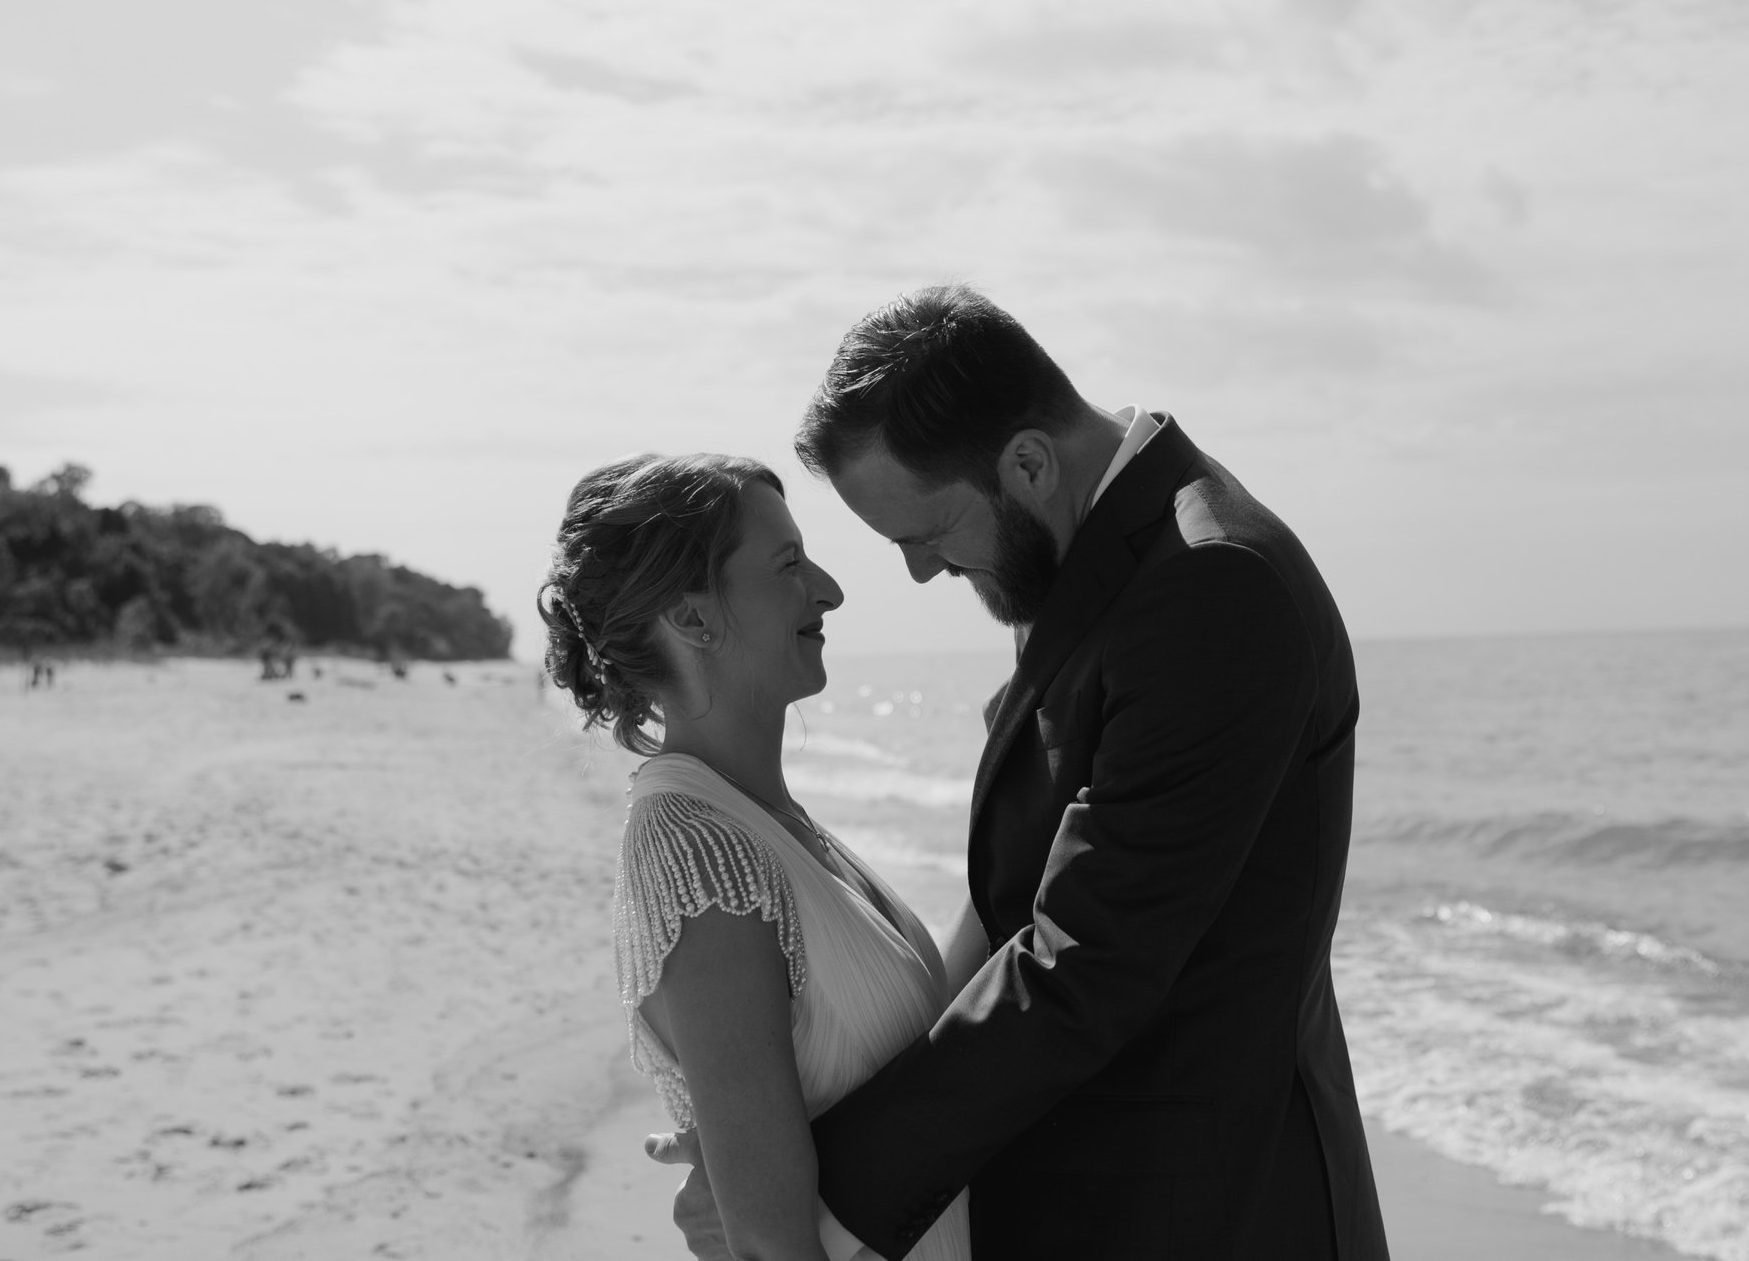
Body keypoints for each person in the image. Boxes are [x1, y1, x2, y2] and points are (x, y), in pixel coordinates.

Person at [665, 285, 1389, 1261]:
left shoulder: (1212, 587)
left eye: (926, 534)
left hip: (1209, 1209)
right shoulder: (1093, 563)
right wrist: (776, 1133)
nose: (922, 572)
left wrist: (828, 1186)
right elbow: (1013, 897)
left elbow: (1081, 959)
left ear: (1029, 462)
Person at [544, 452, 973, 1261]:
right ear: (695, 619)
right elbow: (771, 1244)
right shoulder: (703, 855)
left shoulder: (767, 821)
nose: (828, 589)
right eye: (787, 565)